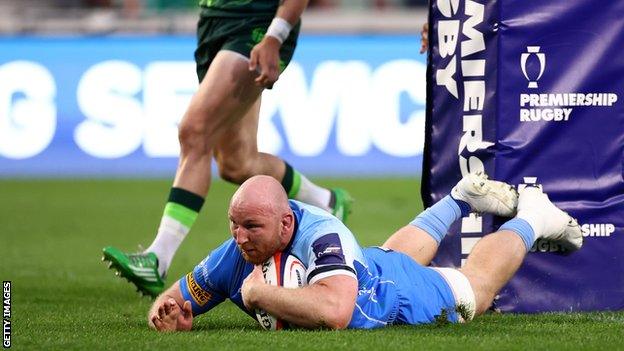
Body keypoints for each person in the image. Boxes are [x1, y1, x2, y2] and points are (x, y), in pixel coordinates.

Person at [101, 0, 354, 297]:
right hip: (213, 21)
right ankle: (326, 201)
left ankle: (158, 258)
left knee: (195, 131)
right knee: (237, 163)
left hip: (256, 25)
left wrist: (274, 36)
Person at [146, 173, 583, 331]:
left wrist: (261, 296)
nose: (239, 237)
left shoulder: (322, 235)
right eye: (234, 224)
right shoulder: (240, 249)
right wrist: (169, 314)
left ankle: (534, 217)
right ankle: (460, 198)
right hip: (365, 265)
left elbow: (336, 311)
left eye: (251, 227)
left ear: (285, 223)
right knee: (389, 254)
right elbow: (173, 300)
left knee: (474, 292)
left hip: (387, 295)